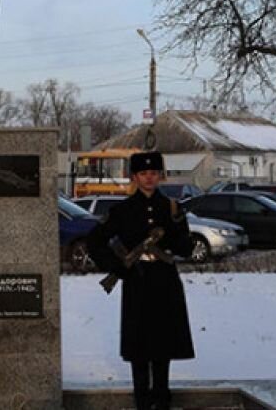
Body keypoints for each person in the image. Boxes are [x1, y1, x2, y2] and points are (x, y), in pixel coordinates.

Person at [88, 150, 194, 410]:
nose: (149, 178)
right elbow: (95, 241)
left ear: (160, 176)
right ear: (134, 177)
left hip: (164, 280)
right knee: (139, 346)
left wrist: (172, 234)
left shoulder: (171, 208)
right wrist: (116, 266)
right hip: (137, 280)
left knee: (163, 344)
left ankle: (162, 398)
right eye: (144, 174)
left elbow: (186, 247)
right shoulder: (122, 210)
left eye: (154, 173)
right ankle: (142, 401)